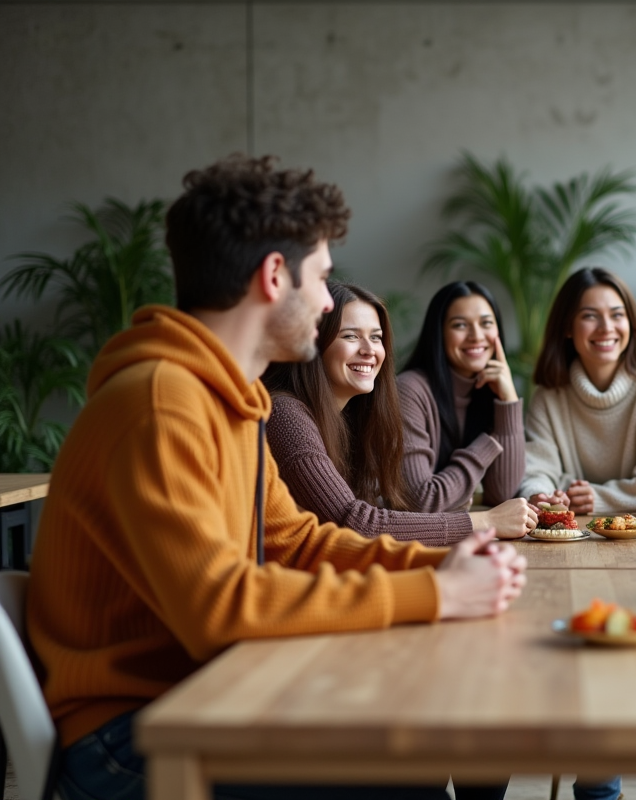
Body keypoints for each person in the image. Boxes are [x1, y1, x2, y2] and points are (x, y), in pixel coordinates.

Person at [28, 155, 527, 800]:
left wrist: (438, 566)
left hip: (209, 692)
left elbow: (300, 541)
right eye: (320, 280)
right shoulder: (160, 402)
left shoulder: (232, 402)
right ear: (272, 277)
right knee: (406, 771)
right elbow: (219, 606)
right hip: (132, 736)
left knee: (417, 748)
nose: (326, 302)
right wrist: (439, 597)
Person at [264, 282, 537, 544]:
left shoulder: (353, 415)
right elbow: (356, 523)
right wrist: (485, 522)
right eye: (350, 336)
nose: (369, 350)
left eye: (376, 337)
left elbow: (371, 508)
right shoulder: (286, 415)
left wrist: (509, 401)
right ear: (313, 342)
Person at [520, 267, 636, 515]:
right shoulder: (548, 396)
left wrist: (597, 498)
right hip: (575, 532)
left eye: (617, 315)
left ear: (630, 323)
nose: (606, 327)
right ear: (567, 327)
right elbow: (537, 472)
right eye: (590, 316)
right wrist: (541, 496)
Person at [397, 281, 525, 513]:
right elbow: (422, 502)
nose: (476, 336)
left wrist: (509, 403)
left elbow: (502, 494)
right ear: (439, 333)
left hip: (456, 537)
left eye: (486, 323)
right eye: (460, 325)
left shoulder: (489, 391)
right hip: (400, 543)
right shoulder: (409, 391)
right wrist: (487, 444)